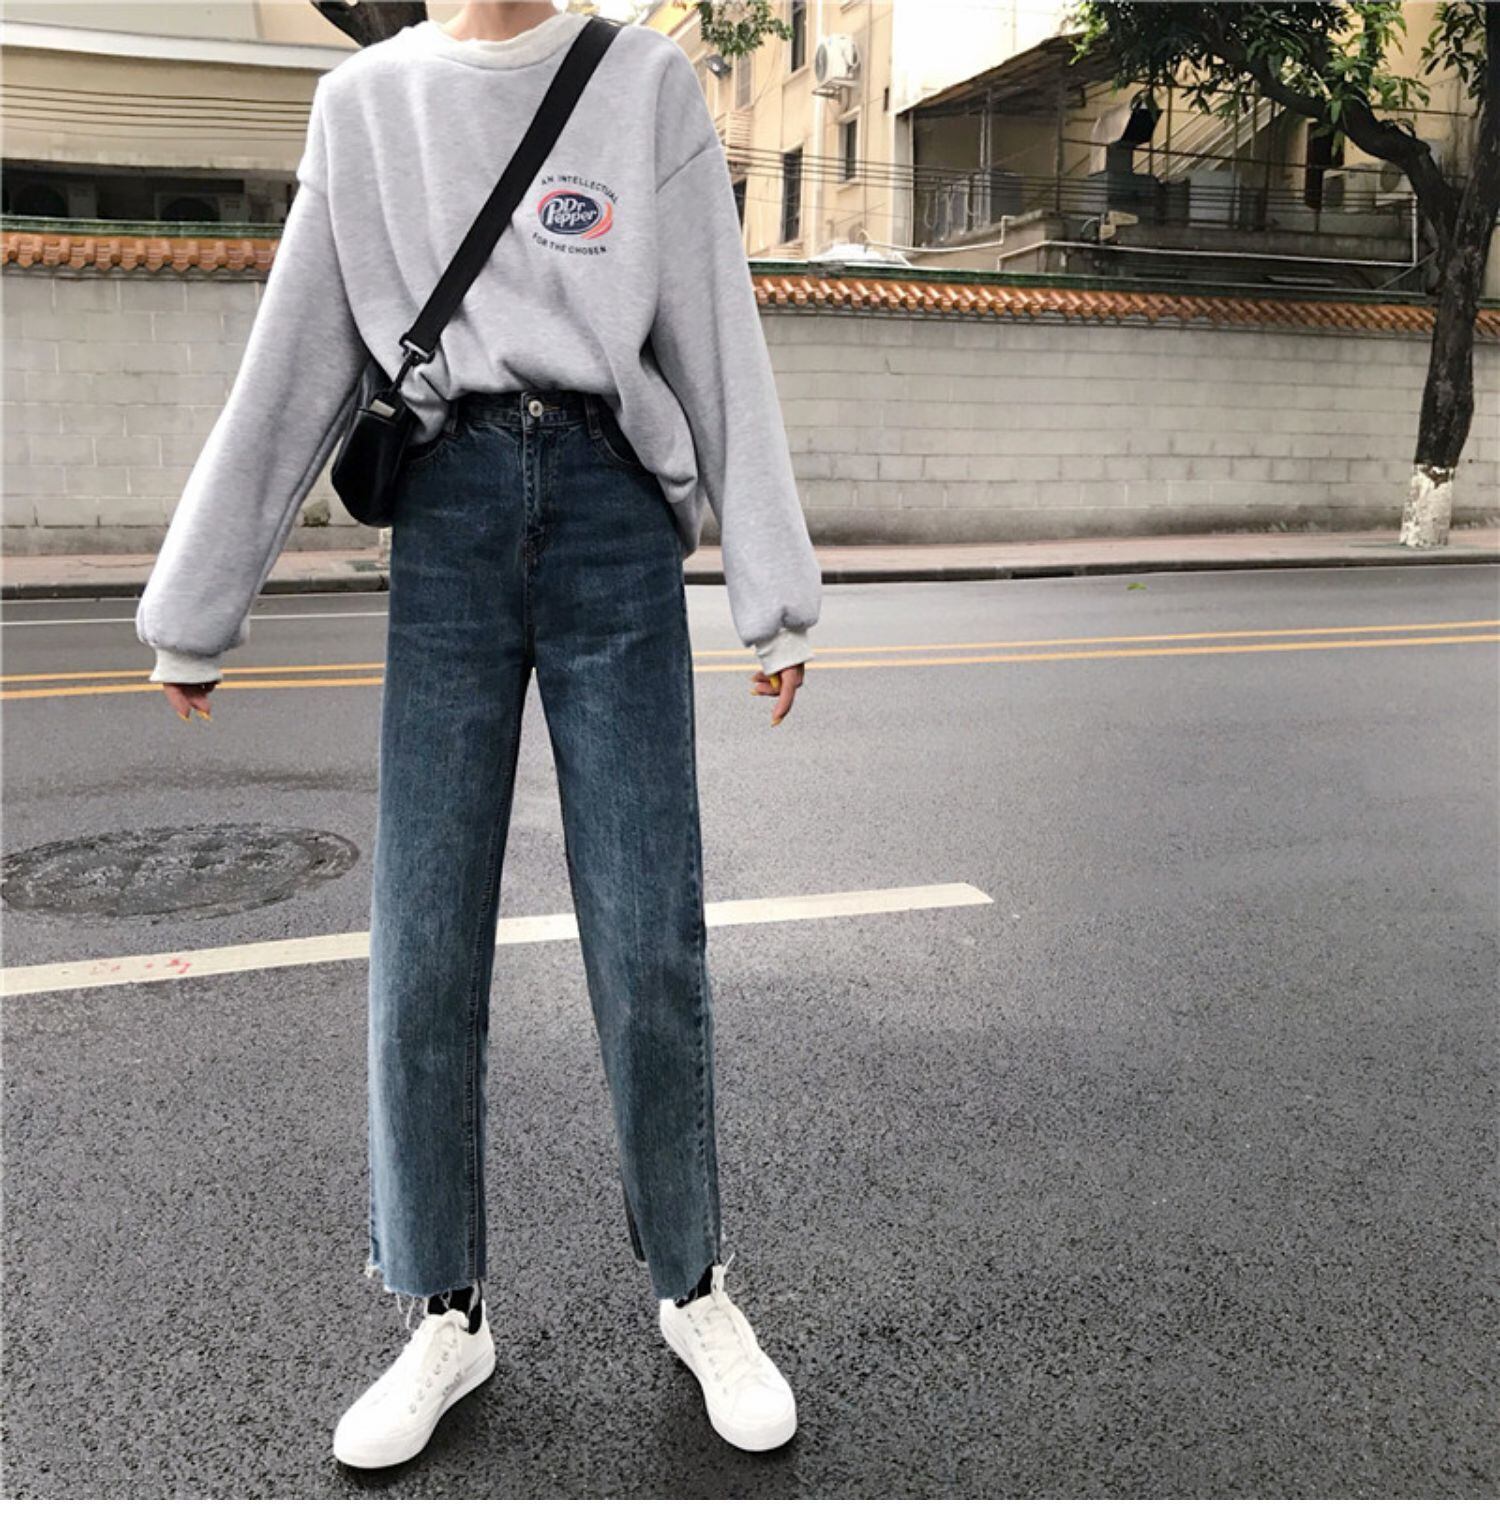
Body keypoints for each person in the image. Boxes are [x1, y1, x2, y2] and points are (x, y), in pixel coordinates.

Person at [133, 0, 822, 1472]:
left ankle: (693, 1283)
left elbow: (717, 329)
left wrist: (772, 590)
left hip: (614, 513)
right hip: (445, 516)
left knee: (648, 932)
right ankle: (442, 1310)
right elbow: (296, 361)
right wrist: (198, 605)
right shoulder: (365, 105)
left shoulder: (643, 81)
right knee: (425, 937)